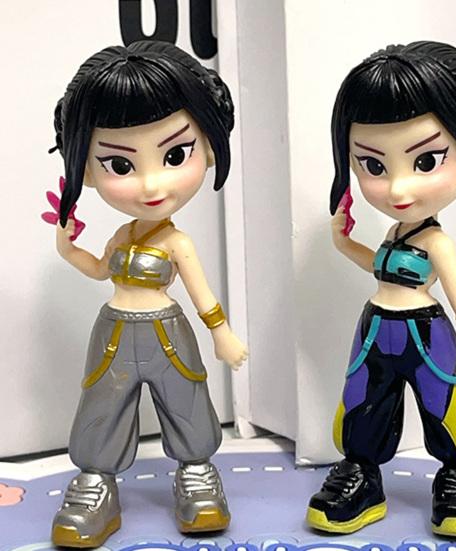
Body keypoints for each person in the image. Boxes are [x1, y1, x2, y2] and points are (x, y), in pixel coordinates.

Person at [306, 41, 456, 538]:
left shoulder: (436, 242)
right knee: (364, 398)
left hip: (426, 334)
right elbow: (380, 269)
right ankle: (362, 475)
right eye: (374, 165)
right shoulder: (394, 232)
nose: (398, 189)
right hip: (376, 327)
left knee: (444, 401)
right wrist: (343, 243)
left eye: (426, 161)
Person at [46, 41, 247, 547]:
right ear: (87, 167)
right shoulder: (122, 235)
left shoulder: (177, 242)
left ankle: (197, 474)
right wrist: (67, 248)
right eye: (120, 165)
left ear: (208, 146)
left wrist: (222, 335)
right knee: (103, 401)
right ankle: (95, 483)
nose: (151, 184)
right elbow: (100, 270)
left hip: (166, 332)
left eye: (175, 155)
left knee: (185, 398)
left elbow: (203, 296)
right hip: (114, 331)